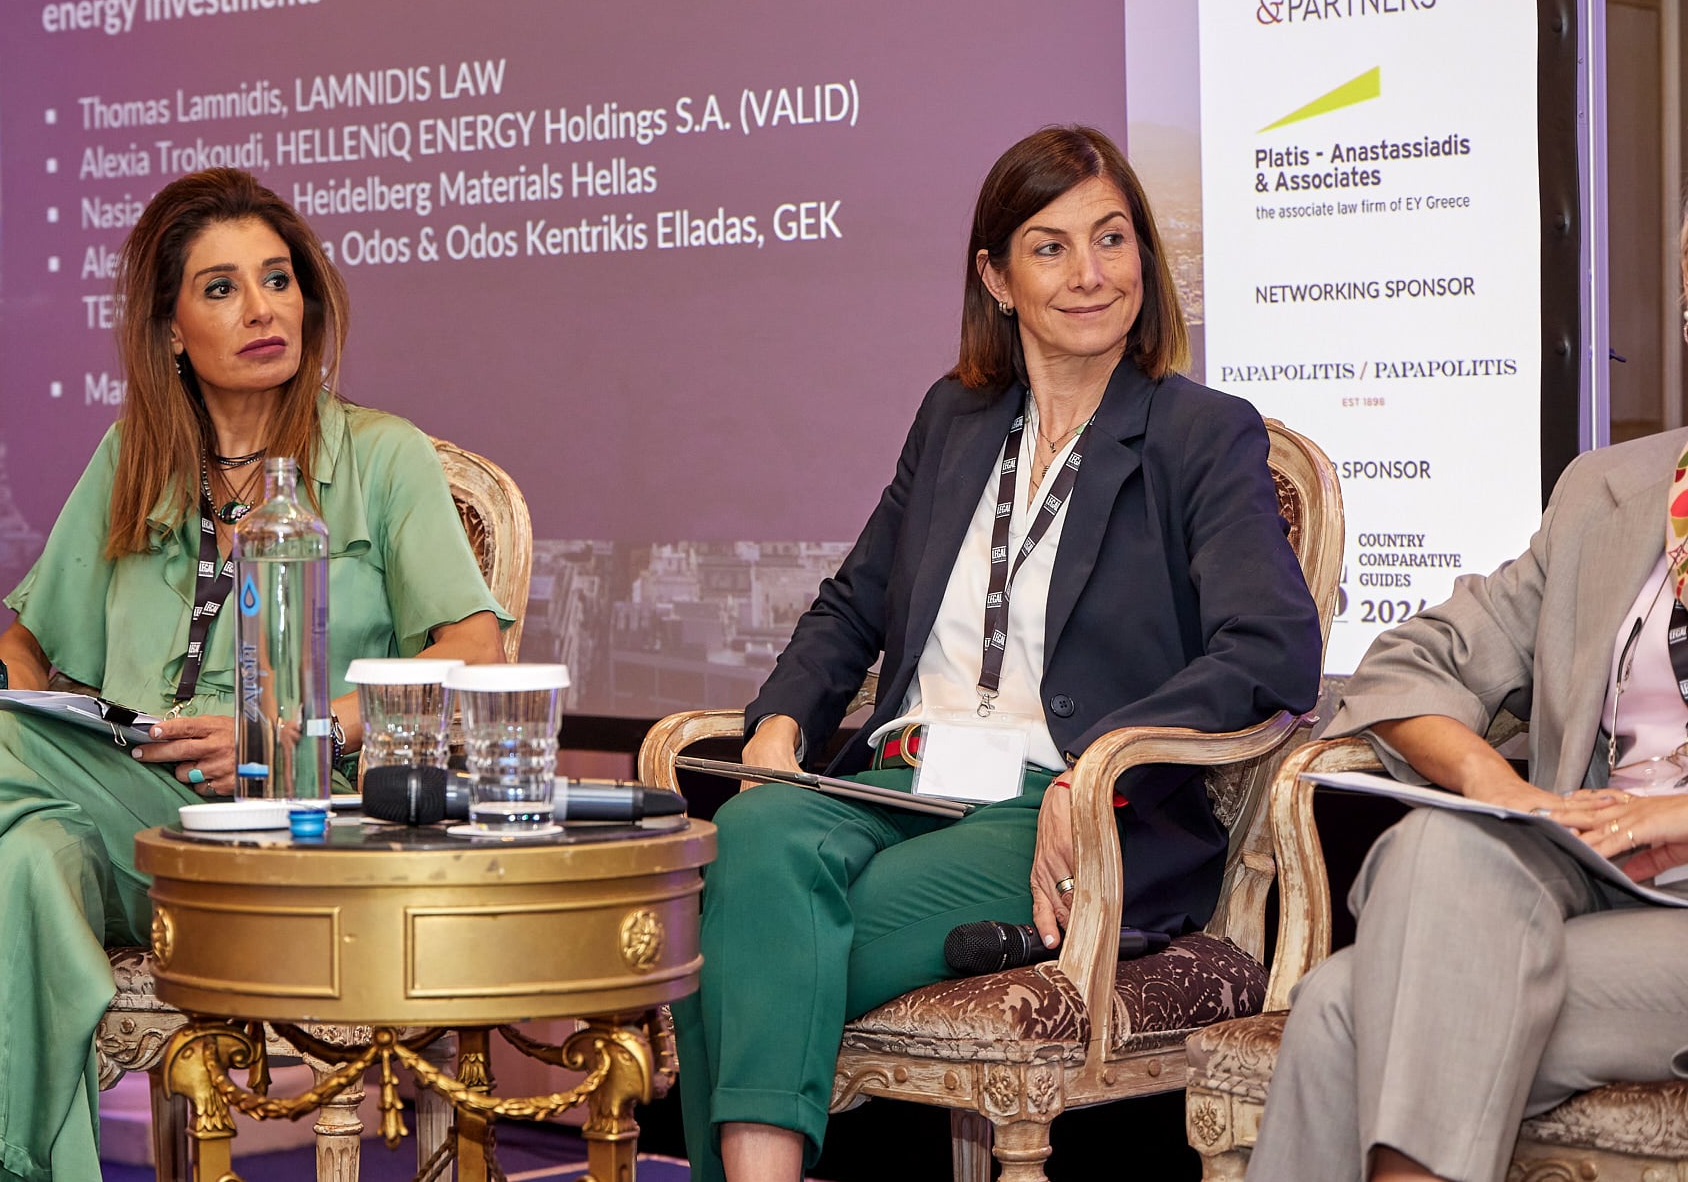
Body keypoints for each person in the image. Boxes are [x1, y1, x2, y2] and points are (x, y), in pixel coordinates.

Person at [0, 168, 508, 1181]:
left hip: (301, 826)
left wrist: (301, 728)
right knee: (21, 835)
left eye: (277, 279)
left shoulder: (382, 458)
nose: (261, 308)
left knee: (6, 805)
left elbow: (476, 652)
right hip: (145, 822)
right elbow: (22, 648)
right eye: (221, 288)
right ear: (170, 329)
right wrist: (45, 703)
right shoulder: (132, 457)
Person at [674, 125, 1323, 1182]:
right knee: (755, 828)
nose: (1090, 274)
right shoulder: (955, 420)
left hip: (1056, 806)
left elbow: (1271, 647)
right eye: (1050, 247)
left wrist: (1093, 766)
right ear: (996, 277)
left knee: (740, 942)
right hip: (898, 779)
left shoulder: (1199, 434)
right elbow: (853, 603)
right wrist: (782, 721)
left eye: (1110, 239)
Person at [1249, 242, 1688, 1182]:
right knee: (1442, 844)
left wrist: (1671, 813)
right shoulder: (1611, 493)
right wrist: (1503, 787)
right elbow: (1408, 663)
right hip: (1590, 870)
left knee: (1341, 1013)